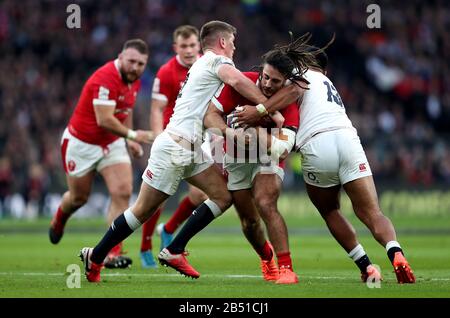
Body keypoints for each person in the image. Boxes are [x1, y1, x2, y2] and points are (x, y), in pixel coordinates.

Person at [79, 20, 296, 283]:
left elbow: (215, 108)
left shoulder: (201, 66)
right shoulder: (215, 61)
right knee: (141, 212)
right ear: (223, 42)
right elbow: (238, 82)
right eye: (233, 43)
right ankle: (97, 255)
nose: (235, 49)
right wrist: (270, 108)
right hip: (175, 147)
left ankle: (174, 249)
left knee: (222, 196)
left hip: (192, 149)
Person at [236, 35, 415, 284]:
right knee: (372, 212)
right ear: (326, 69)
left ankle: (365, 265)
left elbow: (295, 90)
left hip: (318, 143)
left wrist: (259, 111)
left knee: (330, 210)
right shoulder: (328, 82)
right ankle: (395, 253)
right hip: (349, 139)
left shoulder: (300, 75)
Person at [49, 39, 154, 269]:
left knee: (123, 191)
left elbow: (125, 110)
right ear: (120, 57)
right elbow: (104, 119)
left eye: (141, 63)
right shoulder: (105, 77)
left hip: (112, 142)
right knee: (79, 198)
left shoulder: (133, 80)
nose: (135, 67)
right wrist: (134, 135)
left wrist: (128, 140)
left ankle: (110, 253)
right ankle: (60, 217)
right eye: (131, 61)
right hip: (81, 143)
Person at [205, 58, 304, 284]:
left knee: (265, 203)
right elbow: (209, 116)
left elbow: (281, 150)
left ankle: (287, 269)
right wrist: (229, 133)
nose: (268, 83)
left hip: (267, 158)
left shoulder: (288, 101)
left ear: (285, 81)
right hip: (235, 158)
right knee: (249, 222)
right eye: (266, 76)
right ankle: (266, 258)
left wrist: (256, 126)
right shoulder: (242, 83)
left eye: (275, 81)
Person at [140, 25, 208, 269]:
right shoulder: (167, 72)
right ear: (175, 48)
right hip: (174, 137)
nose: (189, 50)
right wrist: (159, 139)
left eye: (192, 45)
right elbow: (157, 109)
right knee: (157, 198)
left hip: (199, 138)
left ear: (199, 46)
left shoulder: (207, 66)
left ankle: (167, 230)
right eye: (184, 46)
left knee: (200, 195)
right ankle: (145, 246)